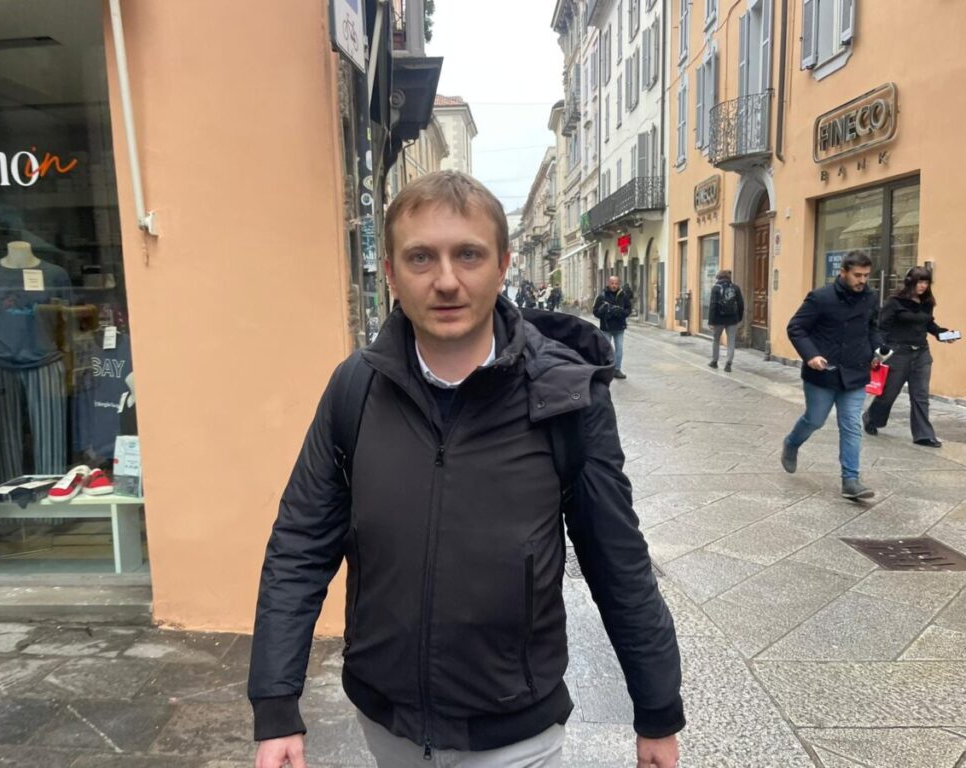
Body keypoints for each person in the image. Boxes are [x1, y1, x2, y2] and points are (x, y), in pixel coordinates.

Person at [248, 171, 683, 768]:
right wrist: (276, 705)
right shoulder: (355, 388)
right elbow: (300, 543)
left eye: (469, 255)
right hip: (387, 723)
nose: (447, 280)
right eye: (421, 257)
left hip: (515, 734)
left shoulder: (563, 394)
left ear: (503, 265)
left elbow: (616, 556)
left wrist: (657, 710)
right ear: (392, 273)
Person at [781, 250, 890, 500]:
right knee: (815, 420)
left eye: (866, 275)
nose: (862, 280)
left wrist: (878, 349)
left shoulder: (870, 298)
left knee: (851, 424)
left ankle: (851, 479)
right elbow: (796, 328)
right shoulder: (821, 297)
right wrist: (811, 355)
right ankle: (791, 443)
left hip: (856, 371)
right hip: (823, 372)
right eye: (857, 275)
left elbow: (872, 328)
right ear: (843, 272)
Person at [863, 266, 957, 447]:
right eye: (919, 282)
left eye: (926, 282)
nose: (922, 286)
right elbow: (882, 328)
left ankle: (924, 435)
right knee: (889, 393)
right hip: (898, 352)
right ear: (909, 282)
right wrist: (878, 352)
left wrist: (943, 334)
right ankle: (871, 418)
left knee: (920, 395)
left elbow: (929, 324)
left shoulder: (927, 303)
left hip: (921, 353)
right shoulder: (894, 302)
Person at [593, 275, 630, 380]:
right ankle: (605, 369)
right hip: (606, 328)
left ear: (618, 284)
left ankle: (617, 370)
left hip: (619, 328)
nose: (614, 285)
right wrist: (605, 312)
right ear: (608, 283)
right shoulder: (602, 296)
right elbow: (595, 312)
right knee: (605, 349)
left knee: (619, 349)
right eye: (612, 283)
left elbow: (628, 309)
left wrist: (621, 312)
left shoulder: (623, 295)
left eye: (616, 284)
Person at [707, 269, 744, 372]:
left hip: (718, 319)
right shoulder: (735, 288)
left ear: (718, 277)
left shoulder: (715, 288)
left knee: (716, 340)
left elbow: (713, 305)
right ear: (728, 277)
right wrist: (739, 318)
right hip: (732, 319)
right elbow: (741, 304)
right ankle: (728, 364)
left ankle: (714, 362)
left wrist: (711, 321)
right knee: (731, 341)